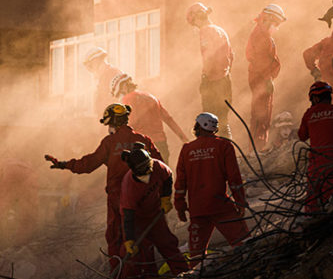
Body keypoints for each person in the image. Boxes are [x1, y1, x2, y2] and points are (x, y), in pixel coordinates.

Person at [45, 104, 162, 273]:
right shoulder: (144, 139)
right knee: (144, 237)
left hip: (119, 199)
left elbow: (87, 164)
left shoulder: (110, 142)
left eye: (109, 124)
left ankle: (121, 274)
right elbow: (160, 166)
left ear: (113, 122)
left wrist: (63, 165)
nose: (109, 128)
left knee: (116, 238)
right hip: (144, 198)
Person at [174, 113, 248, 265]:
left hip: (198, 210)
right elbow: (234, 178)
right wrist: (240, 201)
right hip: (221, 206)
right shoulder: (224, 146)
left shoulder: (187, 149)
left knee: (196, 258)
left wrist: (180, 207)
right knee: (245, 245)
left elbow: (180, 182)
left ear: (198, 127)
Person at [120, 144, 189, 278]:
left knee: (168, 244)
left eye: (148, 163)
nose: (148, 169)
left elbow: (168, 176)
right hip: (137, 220)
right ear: (134, 169)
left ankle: (184, 273)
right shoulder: (129, 186)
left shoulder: (157, 166)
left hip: (155, 214)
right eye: (142, 167)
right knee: (145, 253)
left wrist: (165, 197)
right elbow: (128, 216)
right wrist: (129, 239)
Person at [297, 82, 333, 212]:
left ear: (315, 98)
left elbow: (301, 136)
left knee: (312, 205)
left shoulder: (309, 114)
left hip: (315, 168)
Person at [111, 73, 189, 163]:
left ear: (124, 87)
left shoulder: (128, 99)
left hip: (142, 146)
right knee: (162, 174)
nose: (120, 97)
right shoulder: (152, 98)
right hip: (161, 144)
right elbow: (169, 120)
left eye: (119, 93)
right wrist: (184, 138)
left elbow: (131, 123)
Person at [186, 2, 234, 137]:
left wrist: (206, 78)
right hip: (225, 80)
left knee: (208, 121)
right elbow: (231, 56)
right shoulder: (221, 31)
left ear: (196, 18)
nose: (195, 26)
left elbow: (209, 56)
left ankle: (213, 153)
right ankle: (227, 148)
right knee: (223, 120)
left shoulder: (205, 31)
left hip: (214, 82)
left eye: (194, 22)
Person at [246, 4, 285, 149]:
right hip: (261, 79)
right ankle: (256, 148)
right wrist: (268, 79)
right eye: (276, 23)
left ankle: (258, 147)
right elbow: (262, 59)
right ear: (268, 18)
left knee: (263, 115)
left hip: (261, 77)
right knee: (260, 114)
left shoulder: (262, 33)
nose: (276, 27)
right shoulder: (260, 35)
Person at [83, 47, 123, 115]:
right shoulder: (104, 76)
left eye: (91, 65)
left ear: (96, 61)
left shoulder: (112, 73)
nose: (91, 69)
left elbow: (115, 99)